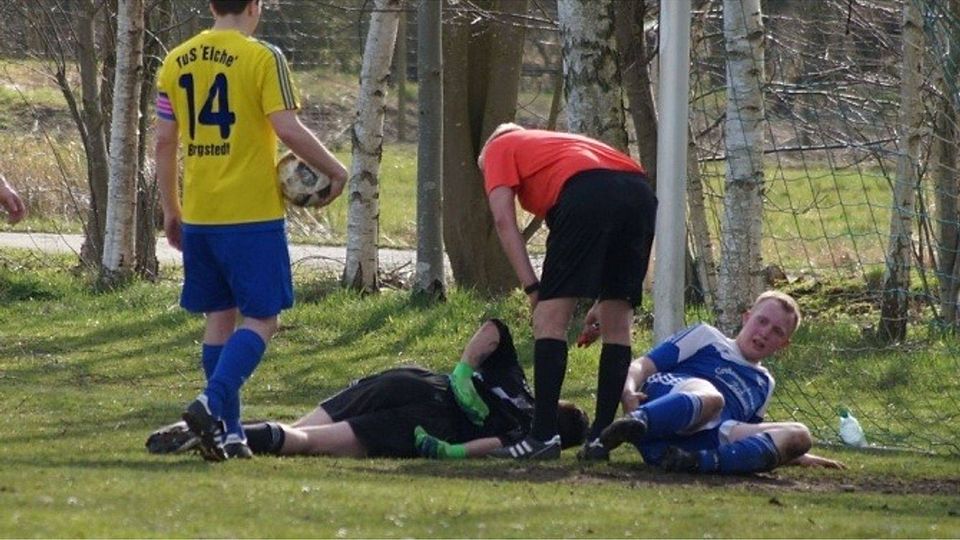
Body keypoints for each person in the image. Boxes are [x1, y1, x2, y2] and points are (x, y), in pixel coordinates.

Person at [154, 0, 348, 461]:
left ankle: (231, 433)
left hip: (200, 214)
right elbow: (287, 127)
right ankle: (210, 404)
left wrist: (171, 209)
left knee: (219, 318)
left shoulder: (175, 59)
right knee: (263, 319)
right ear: (255, 6)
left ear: (211, 5)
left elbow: (164, 141)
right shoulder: (263, 56)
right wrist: (335, 169)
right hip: (251, 215)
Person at [146, 319, 589, 459]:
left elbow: (494, 329)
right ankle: (236, 437)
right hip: (425, 423)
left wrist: (462, 369)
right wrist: (446, 452)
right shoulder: (527, 433)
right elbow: (485, 446)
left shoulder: (519, 385)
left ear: (560, 402)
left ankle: (219, 426)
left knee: (303, 427)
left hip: (414, 379)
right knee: (304, 442)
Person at [477, 123, 657, 460]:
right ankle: (601, 438)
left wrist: (533, 290)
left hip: (586, 192)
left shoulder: (500, 147)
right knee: (617, 325)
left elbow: (503, 221)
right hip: (639, 191)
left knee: (549, 320)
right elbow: (612, 194)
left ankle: (542, 436)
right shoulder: (560, 146)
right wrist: (603, 300)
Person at [598, 290, 844, 474]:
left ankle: (694, 462)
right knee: (713, 398)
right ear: (747, 317)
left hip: (699, 438)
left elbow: (743, 438)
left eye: (778, 332)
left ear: (784, 345)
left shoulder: (765, 383)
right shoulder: (707, 337)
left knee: (800, 434)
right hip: (665, 404)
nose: (766, 332)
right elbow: (642, 365)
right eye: (762, 321)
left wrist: (796, 453)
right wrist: (628, 392)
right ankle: (636, 424)